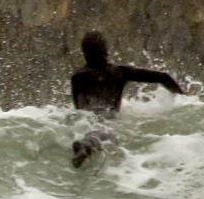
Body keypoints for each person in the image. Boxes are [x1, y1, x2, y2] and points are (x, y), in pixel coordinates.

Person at [67, 31, 188, 167]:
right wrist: (185, 99)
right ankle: (86, 146)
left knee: (93, 132)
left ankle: (85, 147)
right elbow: (163, 77)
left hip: (86, 119)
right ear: (105, 52)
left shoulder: (77, 77)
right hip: (109, 118)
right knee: (107, 136)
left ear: (85, 54)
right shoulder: (119, 72)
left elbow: (78, 106)